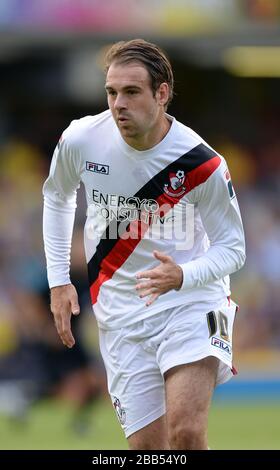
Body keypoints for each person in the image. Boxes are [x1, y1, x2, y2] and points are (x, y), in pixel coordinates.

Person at [42, 39, 246, 450]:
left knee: (185, 435)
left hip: (191, 302)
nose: (118, 103)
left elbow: (233, 248)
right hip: (120, 312)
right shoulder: (82, 139)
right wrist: (59, 279)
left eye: (132, 92)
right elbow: (57, 196)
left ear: (162, 93)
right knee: (148, 451)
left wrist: (182, 275)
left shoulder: (201, 163)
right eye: (111, 92)